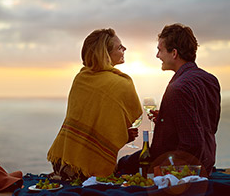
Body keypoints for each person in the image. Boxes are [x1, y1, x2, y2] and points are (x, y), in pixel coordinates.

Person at [117, 23, 221, 177]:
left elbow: (192, 145)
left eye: (160, 50)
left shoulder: (178, 88)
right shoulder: (210, 80)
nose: (157, 55)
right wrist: (167, 120)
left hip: (181, 169)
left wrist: (162, 172)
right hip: (208, 161)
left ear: (174, 53)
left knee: (122, 164)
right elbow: (207, 124)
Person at [47, 28, 142, 181]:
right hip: (88, 171)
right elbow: (108, 128)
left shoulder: (81, 78)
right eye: (119, 47)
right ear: (105, 54)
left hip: (63, 161)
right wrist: (123, 135)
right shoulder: (121, 84)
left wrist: (122, 136)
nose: (124, 50)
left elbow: (96, 123)